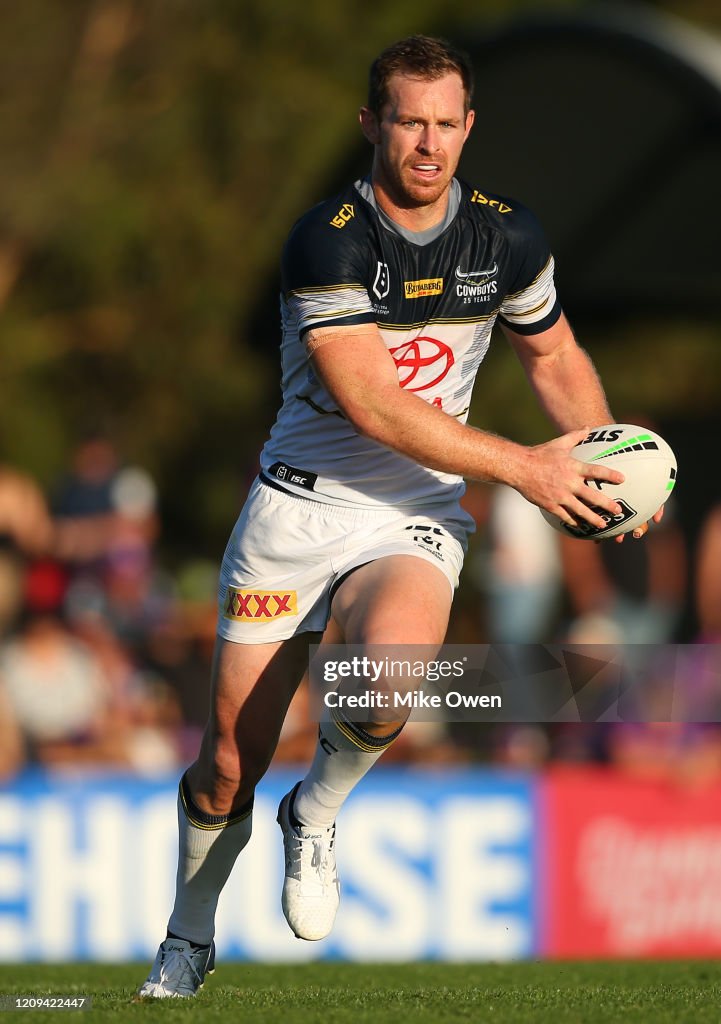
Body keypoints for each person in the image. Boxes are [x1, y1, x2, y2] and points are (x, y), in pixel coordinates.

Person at [139, 34, 659, 998]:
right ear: (372, 124)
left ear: (469, 127)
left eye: (445, 123)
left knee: (385, 686)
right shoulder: (325, 238)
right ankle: (188, 930)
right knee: (224, 766)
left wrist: (598, 470)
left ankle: (318, 813)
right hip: (297, 509)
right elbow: (376, 403)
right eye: (408, 121)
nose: (427, 143)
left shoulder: (508, 237)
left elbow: (552, 360)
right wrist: (525, 471)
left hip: (411, 512)